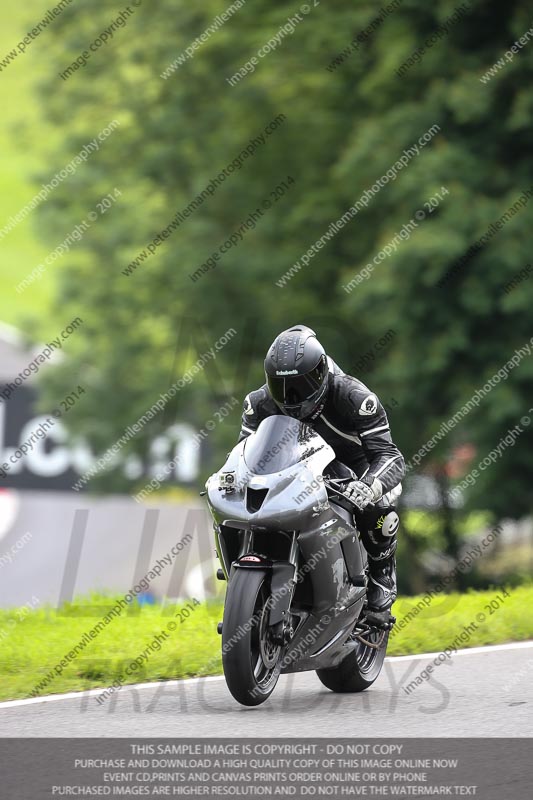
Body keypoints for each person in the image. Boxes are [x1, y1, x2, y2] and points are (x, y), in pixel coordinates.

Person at [238, 324, 405, 614]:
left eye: (300, 387)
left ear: (321, 372)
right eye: (281, 387)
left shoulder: (355, 397)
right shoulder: (258, 403)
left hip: (356, 467)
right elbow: (243, 455)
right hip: (296, 469)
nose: (290, 398)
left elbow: (390, 455)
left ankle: (382, 573)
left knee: (380, 510)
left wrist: (368, 485)